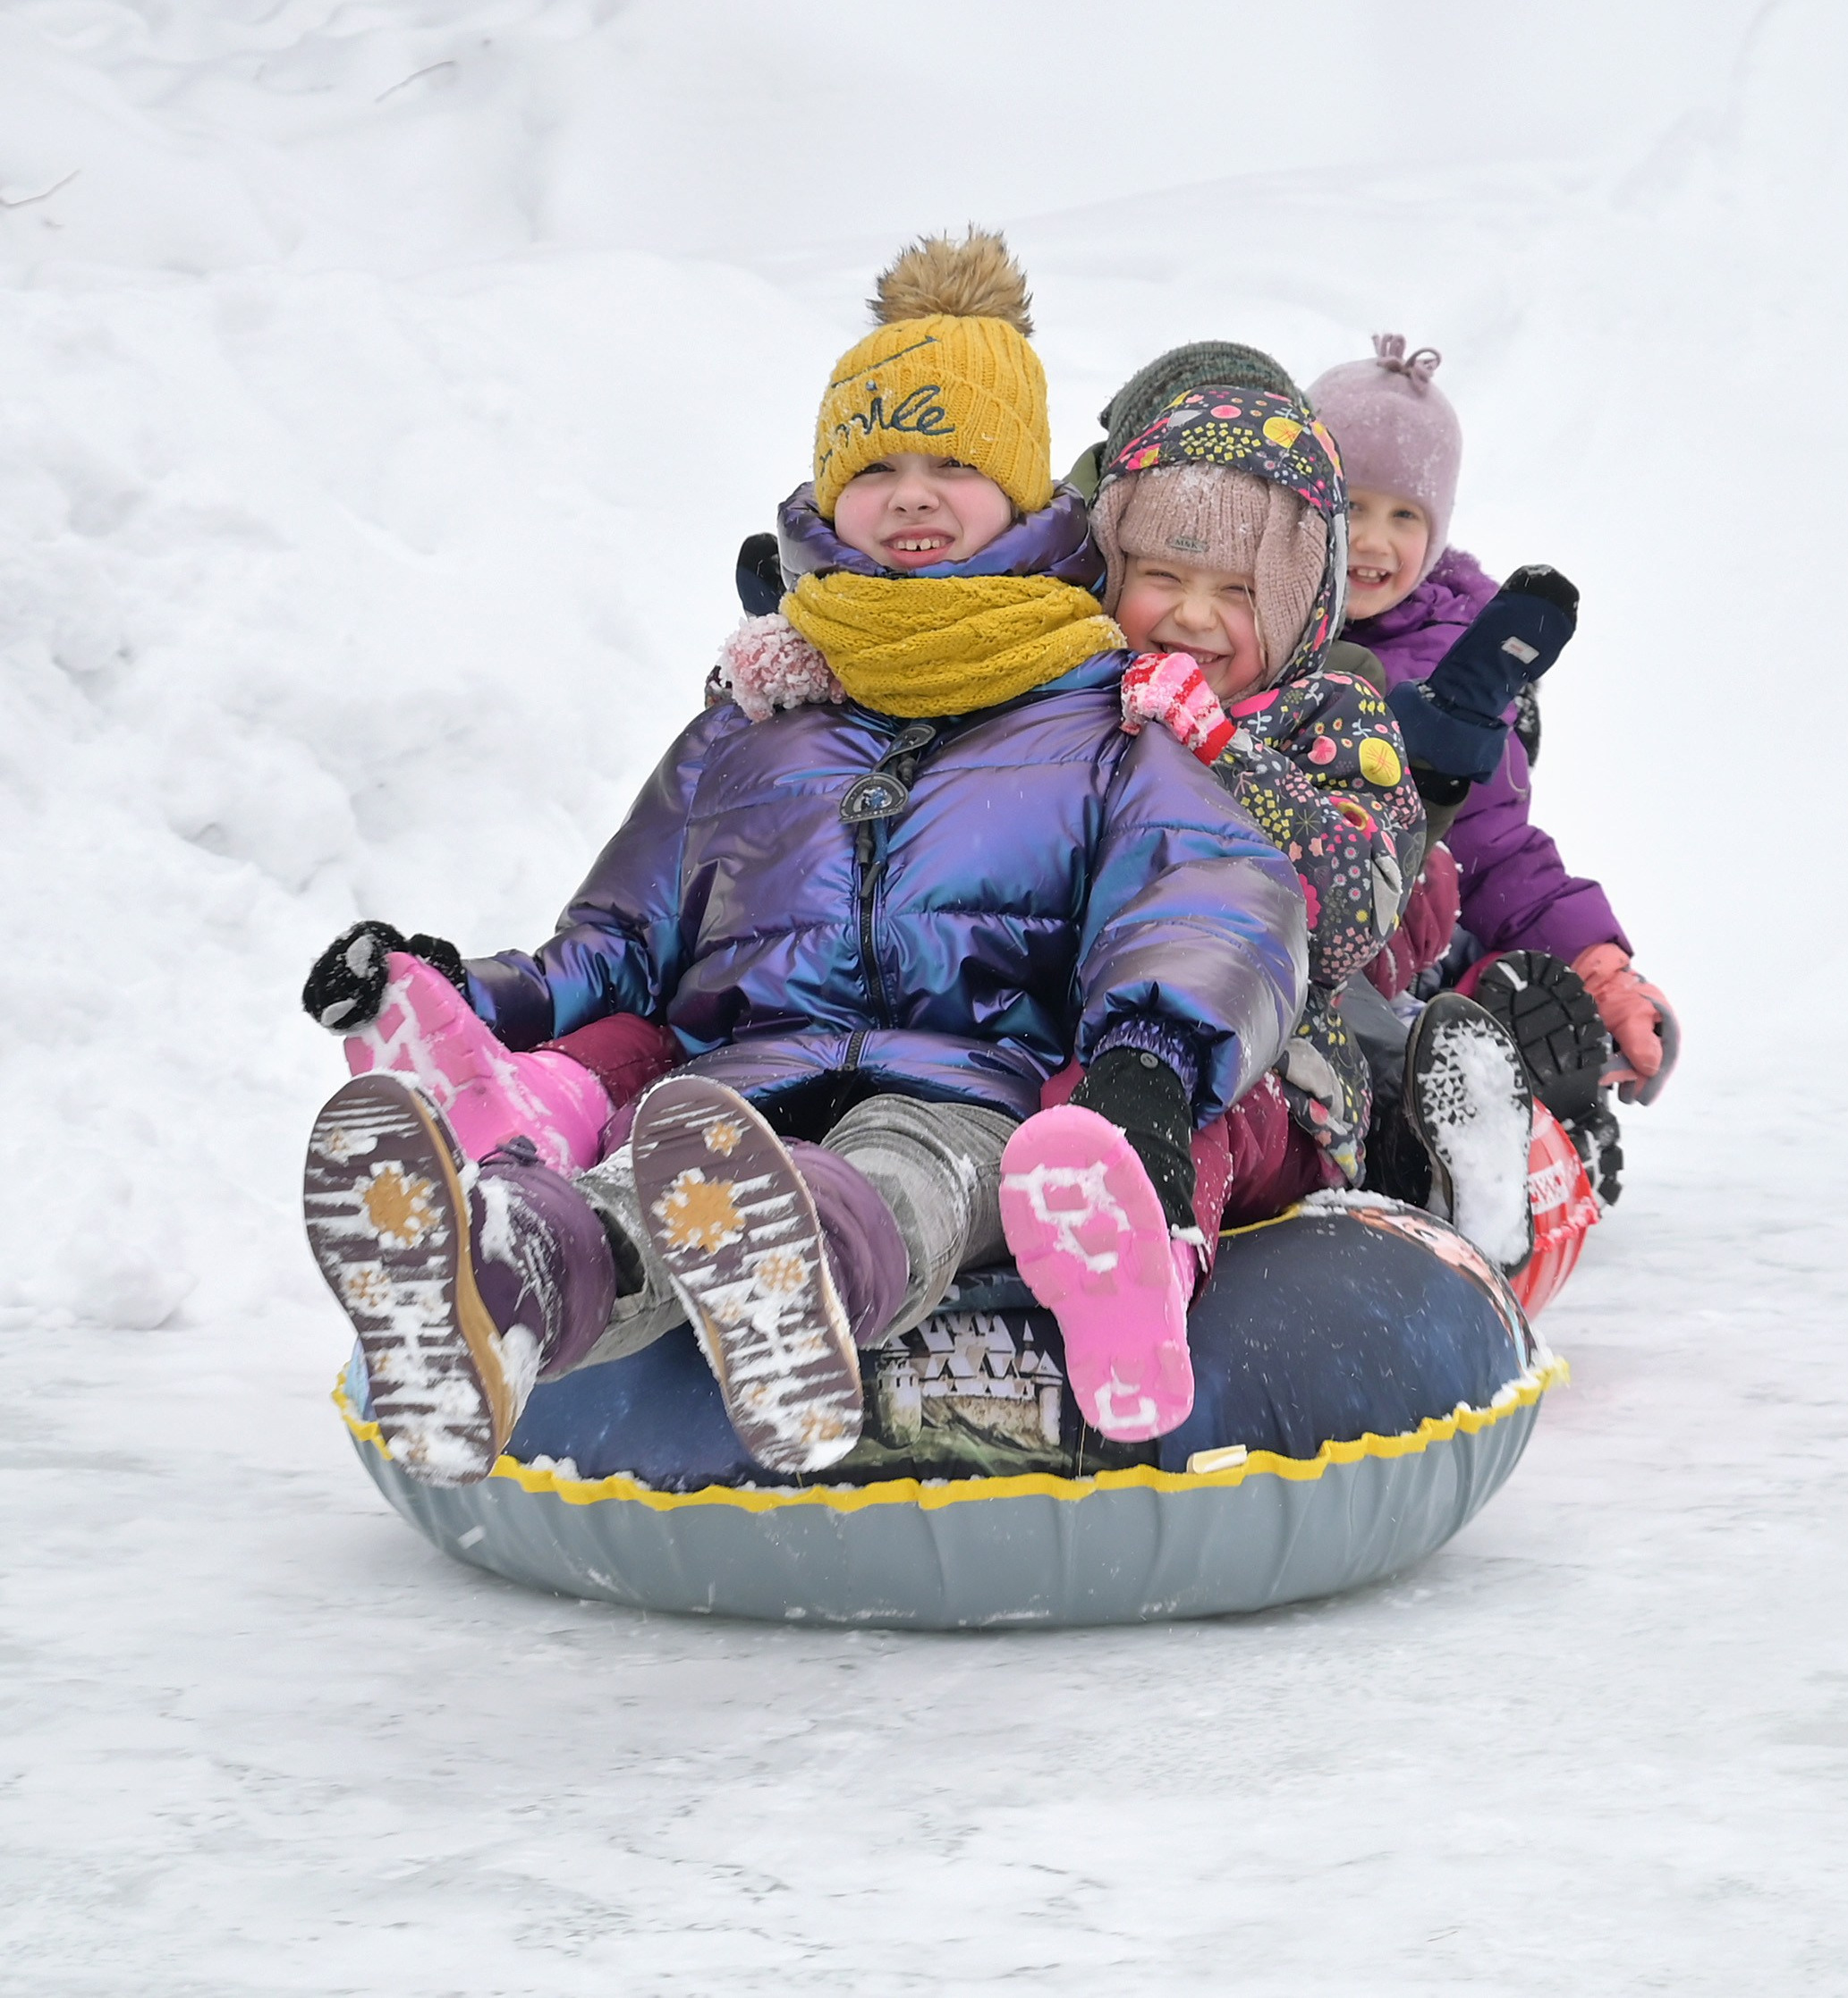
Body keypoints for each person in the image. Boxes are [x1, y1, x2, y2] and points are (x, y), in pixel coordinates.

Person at [298, 228, 1307, 1486]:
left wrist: (1150, 1064)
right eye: (876, 463)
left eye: (954, 461)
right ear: (828, 491)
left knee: (893, 1174)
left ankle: (801, 1287)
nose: (914, 493)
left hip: (968, 1092)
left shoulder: (1098, 714)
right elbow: (622, 934)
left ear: (1030, 491)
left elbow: (1213, 890)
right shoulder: (754, 719)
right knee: (650, 1187)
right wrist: (476, 986)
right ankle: (498, 1284)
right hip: (735, 1096)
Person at [1077, 377, 1543, 1274]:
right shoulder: (1084, 699)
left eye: (1239, 591)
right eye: (1163, 577)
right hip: (1093, 1028)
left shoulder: (1331, 716)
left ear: (1298, 602)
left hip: (1271, 1055)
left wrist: (1220, 749)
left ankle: (1151, 1260)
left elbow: (1341, 915)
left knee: (1213, 1099)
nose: (1193, 615)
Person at [1309, 335, 1679, 1191]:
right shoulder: (1249, 621)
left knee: (1446, 946)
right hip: (1296, 924)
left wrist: (1602, 970)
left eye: (1405, 516)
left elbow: (1499, 850)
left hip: (1413, 937)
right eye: (1350, 505)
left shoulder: (1462, 661)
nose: (1372, 540)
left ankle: (1515, 1067)